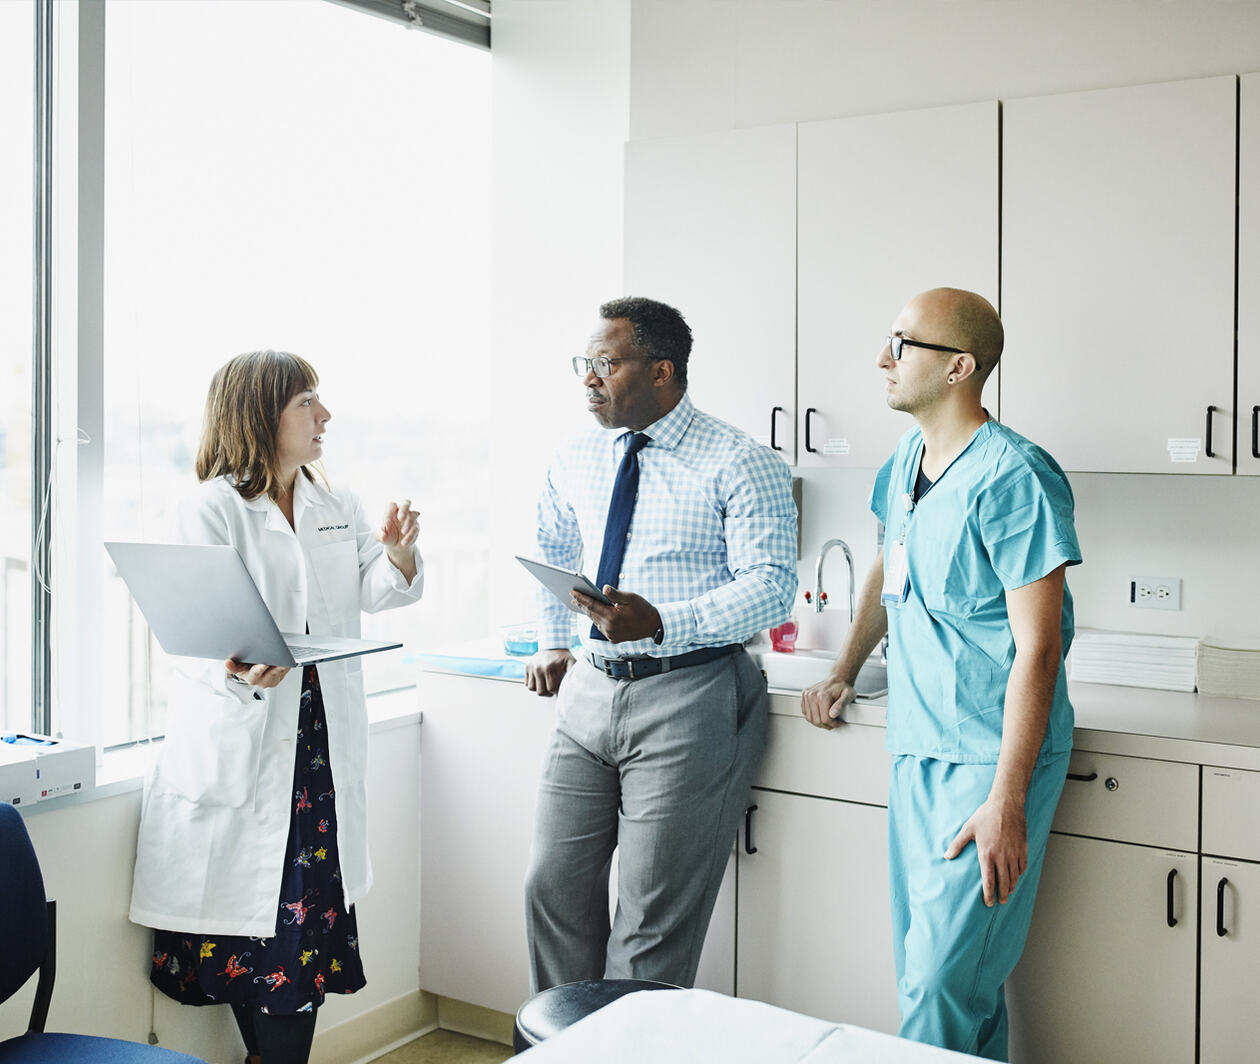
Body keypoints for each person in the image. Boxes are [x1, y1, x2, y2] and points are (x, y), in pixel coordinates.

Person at [801, 289, 1081, 1061]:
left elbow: (1040, 649)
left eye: (902, 342)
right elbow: (890, 567)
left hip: (990, 760)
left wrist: (1008, 799)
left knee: (936, 986)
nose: (881, 358)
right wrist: (843, 671)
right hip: (917, 745)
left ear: (959, 367)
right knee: (944, 987)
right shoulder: (904, 464)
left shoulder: (1014, 476)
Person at [128, 350, 424, 1064]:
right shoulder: (209, 506)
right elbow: (191, 628)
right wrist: (237, 667)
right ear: (262, 415)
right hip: (249, 735)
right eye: (307, 403)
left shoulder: (335, 502)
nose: (325, 416)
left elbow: (377, 590)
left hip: (317, 746)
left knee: (302, 934)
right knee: (252, 935)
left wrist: (399, 555)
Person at [523, 296, 798, 991]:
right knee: (551, 892)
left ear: (662, 371)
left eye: (605, 364)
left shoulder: (741, 460)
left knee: (650, 926)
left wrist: (662, 622)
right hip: (588, 690)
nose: (588, 379)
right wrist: (555, 640)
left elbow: (770, 587)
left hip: (690, 692)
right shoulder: (577, 455)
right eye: (583, 364)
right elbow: (552, 544)